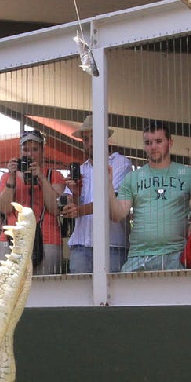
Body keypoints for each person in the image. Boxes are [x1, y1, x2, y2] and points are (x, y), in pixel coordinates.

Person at [109, 120, 191, 272]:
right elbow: (117, 215)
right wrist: (108, 184)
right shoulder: (132, 178)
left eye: (158, 141)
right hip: (138, 256)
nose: (153, 147)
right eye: (148, 143)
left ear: (170, 143)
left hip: (176, 255)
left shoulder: (190, 175)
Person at [62, 114, 131, 274]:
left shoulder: (120, 163)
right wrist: (73, 197)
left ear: (105, 138)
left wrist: (78, 210)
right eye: (86, 139)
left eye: (94, 137)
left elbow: (110, 202)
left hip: (112, 245)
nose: (90, 143)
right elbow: (68, 201)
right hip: (80, 245)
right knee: (79, 290)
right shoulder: (81, 169)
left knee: (112, 290)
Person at [0, 131, 64, 274]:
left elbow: (55, 208)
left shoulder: (54, 175)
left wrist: (41, 178)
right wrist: (12, 178)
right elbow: (4, 208)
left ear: (42, 152)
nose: (30, 154)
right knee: (6, 285)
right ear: (20, 152)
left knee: (46, 286)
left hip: (46, 239)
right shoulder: (7, 177)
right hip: (11, 239)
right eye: (26, 150)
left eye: (35, 149)